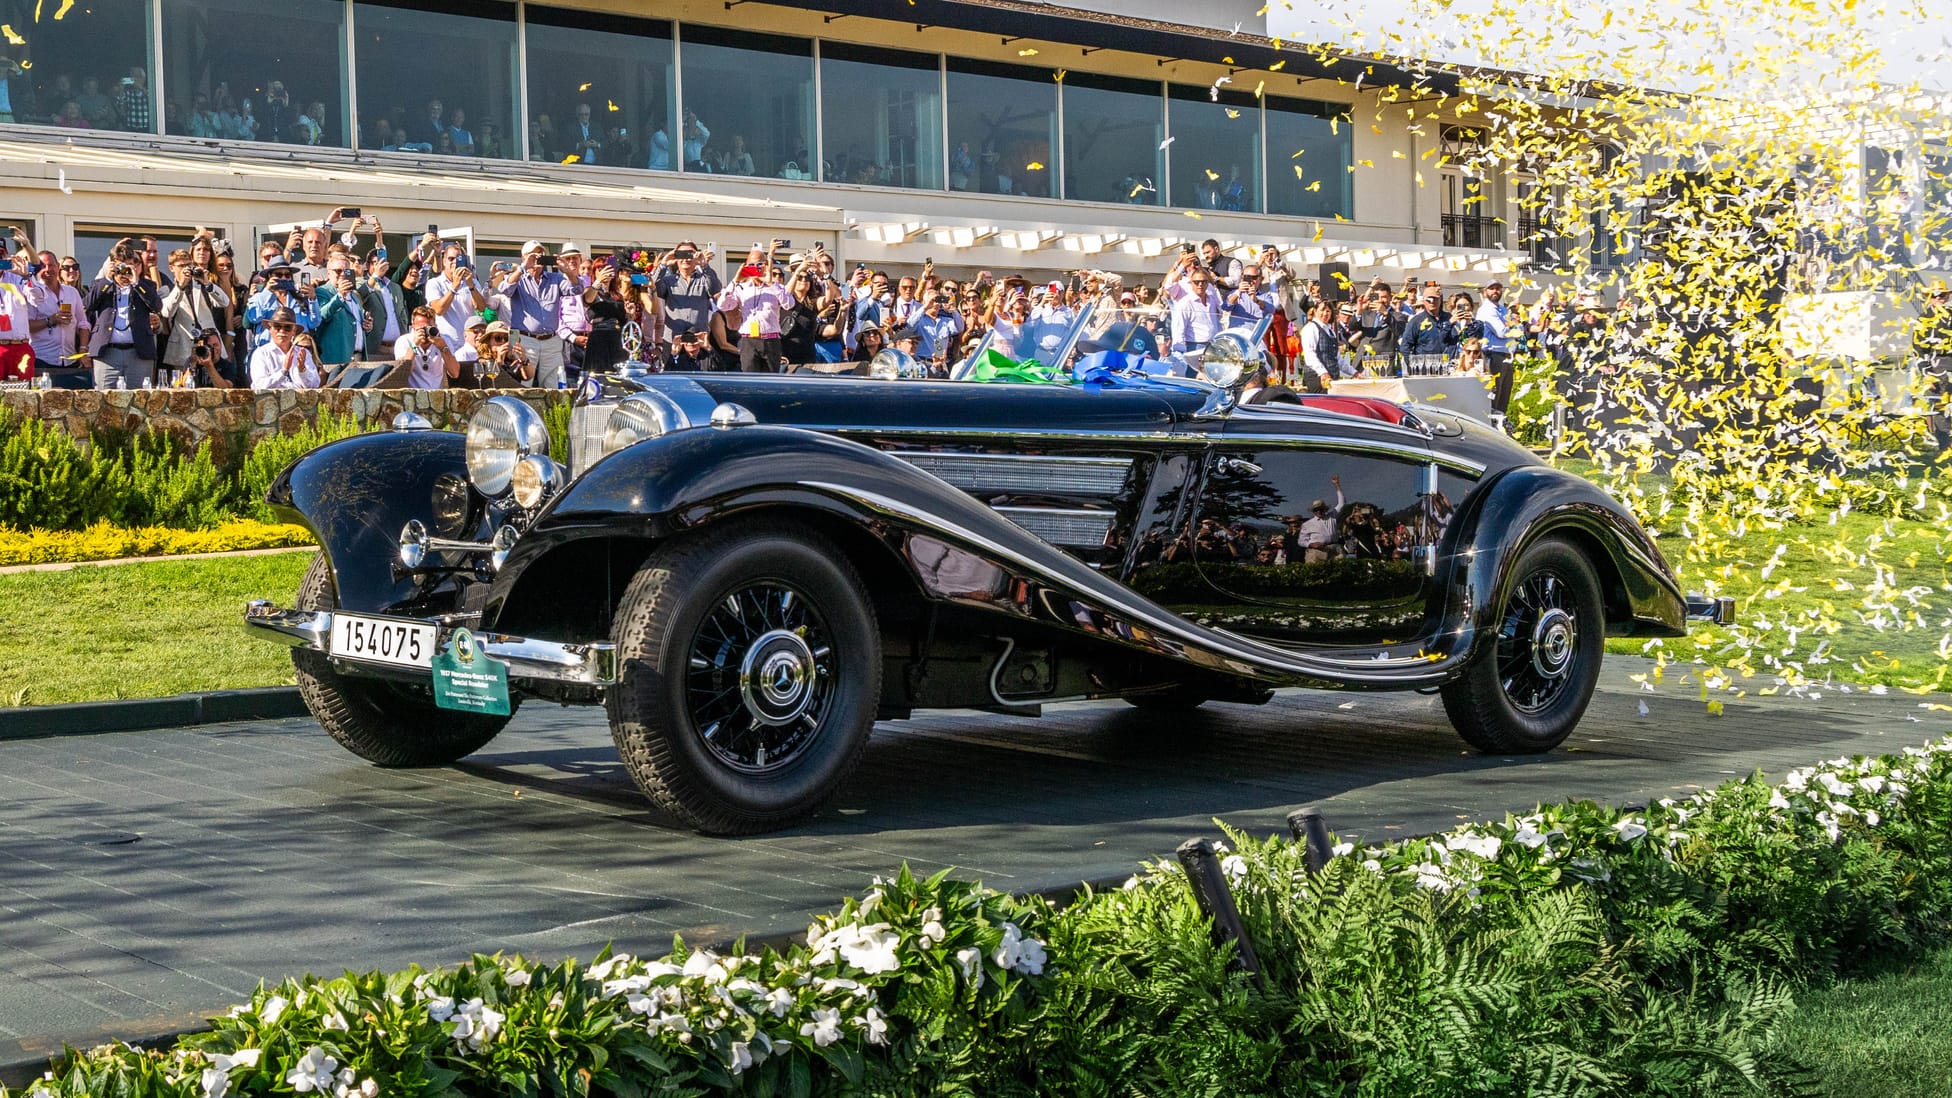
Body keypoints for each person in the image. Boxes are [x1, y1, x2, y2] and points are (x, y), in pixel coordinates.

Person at [86, 250, 164, 389]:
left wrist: (136, 283)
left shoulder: (146, 286)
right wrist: (109, 279)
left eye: (133, 264)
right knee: (104, 399)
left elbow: (157, 306)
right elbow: (88, 304)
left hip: (139, 352)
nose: (127, 269)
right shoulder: (102, 285)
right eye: (123, 265)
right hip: (107, 352)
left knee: (140, 399)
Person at [504, 240, 573, 387]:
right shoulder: (518, 278)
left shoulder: (556, 278)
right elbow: (505, 288)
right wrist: (523, 268)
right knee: (522, 384)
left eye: (540, 254)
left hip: (551, 340)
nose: (537, 257)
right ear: (524, 258)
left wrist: (568, 271)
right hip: (524, 338)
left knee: (554, 388)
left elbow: (577, 290)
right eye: (533, 254)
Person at [158, 248, 232, 385]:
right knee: (183, 388)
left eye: (188, 265)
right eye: (181, 266)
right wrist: (180, 286)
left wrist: (207, 283)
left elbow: (225, 302)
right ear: (171, 268)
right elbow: (166, 312)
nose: (185, 269)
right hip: (183, 348)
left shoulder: (202, 285)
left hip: (210, 345)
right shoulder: (167, 289)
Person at [28, 248, 90, 388]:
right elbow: (27, 326)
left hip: (70, 360)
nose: (48, 269)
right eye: (43, 266)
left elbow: (83, 323)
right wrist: (51, 320)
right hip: (42, 360)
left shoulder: (71, 292)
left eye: (51, 265)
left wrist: (83, 350)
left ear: (58, 267)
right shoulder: (32, 292)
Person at [0, 228, 46, 381]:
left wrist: (27, 277)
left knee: (24, 397)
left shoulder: (16, 276)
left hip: (21, 348)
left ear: (6, 256)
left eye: (1, 255)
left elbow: (38, 299)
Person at [423, 243, 487, 352]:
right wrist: (454, 287)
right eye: (451, 259)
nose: (454, 262)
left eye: (459, 258)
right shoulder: (434, 283)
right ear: (444, 262)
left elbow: (481, 307)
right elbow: (438, 310)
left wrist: (471, 285)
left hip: (469, 345)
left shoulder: (472, 281)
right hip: (447, 344)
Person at [654, 242, 722, 339]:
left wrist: (704, 265)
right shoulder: (668, 281)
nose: (686, 259)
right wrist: (663, 265)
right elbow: (654, 289)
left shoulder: (704, 279)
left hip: (698, 340)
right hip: (673, 339)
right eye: (682, 254)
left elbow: (715, 289)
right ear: (676, 258)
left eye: (690, 254)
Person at [1914, 281, 1952, 450]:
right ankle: (1946, 448)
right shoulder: (1923, 319)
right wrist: (1927, 374)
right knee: (1940, 407)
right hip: (1937, 367)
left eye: (1942, 295)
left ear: (1948, 296)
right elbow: (1918, 350)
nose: (1939, 299)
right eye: (1935, 296)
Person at [1163, 254, 1225, 357]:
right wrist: (1181, 265)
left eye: (1196, 263)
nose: (1193, 266)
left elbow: (1219, 309)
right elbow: (1168, 285)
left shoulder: (1208, 286)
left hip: (1212, 342)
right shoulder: (1181, 283)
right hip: (1193, 342)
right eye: (1189, 263)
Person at [248, 306, 321, 389]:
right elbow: (259, 385)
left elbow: (315, 384)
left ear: (294, 331)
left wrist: (302, 371)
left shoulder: (303, 353)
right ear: (270, 329)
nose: (282, 331)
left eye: (287, 327)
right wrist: (283, 371)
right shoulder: (261, 353)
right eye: (277, 326)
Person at [394, 306, 460, 389]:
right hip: (412, 395)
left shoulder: (444, 340)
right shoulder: (404, 341)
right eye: (421, 328)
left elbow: (455, 373)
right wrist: (414, 345)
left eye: (428, 328)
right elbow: (404, 373)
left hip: (437, 395)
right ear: (413, 326)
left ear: (435, 326)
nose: (425, 332)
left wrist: (443, 348)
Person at [1476, 279, 1515, 414]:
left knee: (1504, 398)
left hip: (1506, 356)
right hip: (1494, 356)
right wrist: (1514, 325)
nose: (1495, 291)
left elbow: (1518, 329)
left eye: (1498, 288)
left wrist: (1513, 326)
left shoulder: (1503, 309)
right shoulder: (1486, 310)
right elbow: (1502, 332)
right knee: (1494, 397)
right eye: (1491, 288)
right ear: (1485, 292)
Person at [1291, 476, 1344, 564]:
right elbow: (1301, 541)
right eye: (1316, 510)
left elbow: (1342, 503)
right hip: (1317, 551)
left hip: (1334, 549)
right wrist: (1311, 544)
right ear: (1313, 511)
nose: (1319, 511)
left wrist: (1337, 485)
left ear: (1325, 509)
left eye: (1321, 509)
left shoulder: (1332, 516)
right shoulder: (1307, 524)